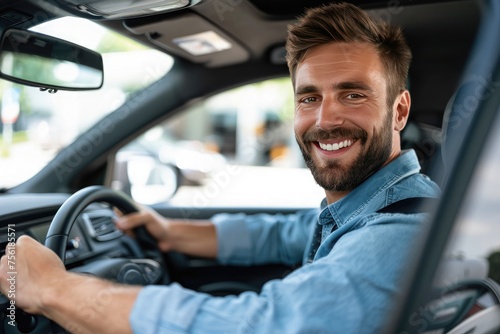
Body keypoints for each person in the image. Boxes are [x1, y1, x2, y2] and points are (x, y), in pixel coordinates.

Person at [0, 2, 440, 333]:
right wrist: (171, 232)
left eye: (353, 94)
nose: (325, 120)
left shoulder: (402, 231)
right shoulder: (371, 208)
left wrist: (53, 289)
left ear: (399, 111)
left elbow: (260, 325)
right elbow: (284, 234)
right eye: (309, 97)